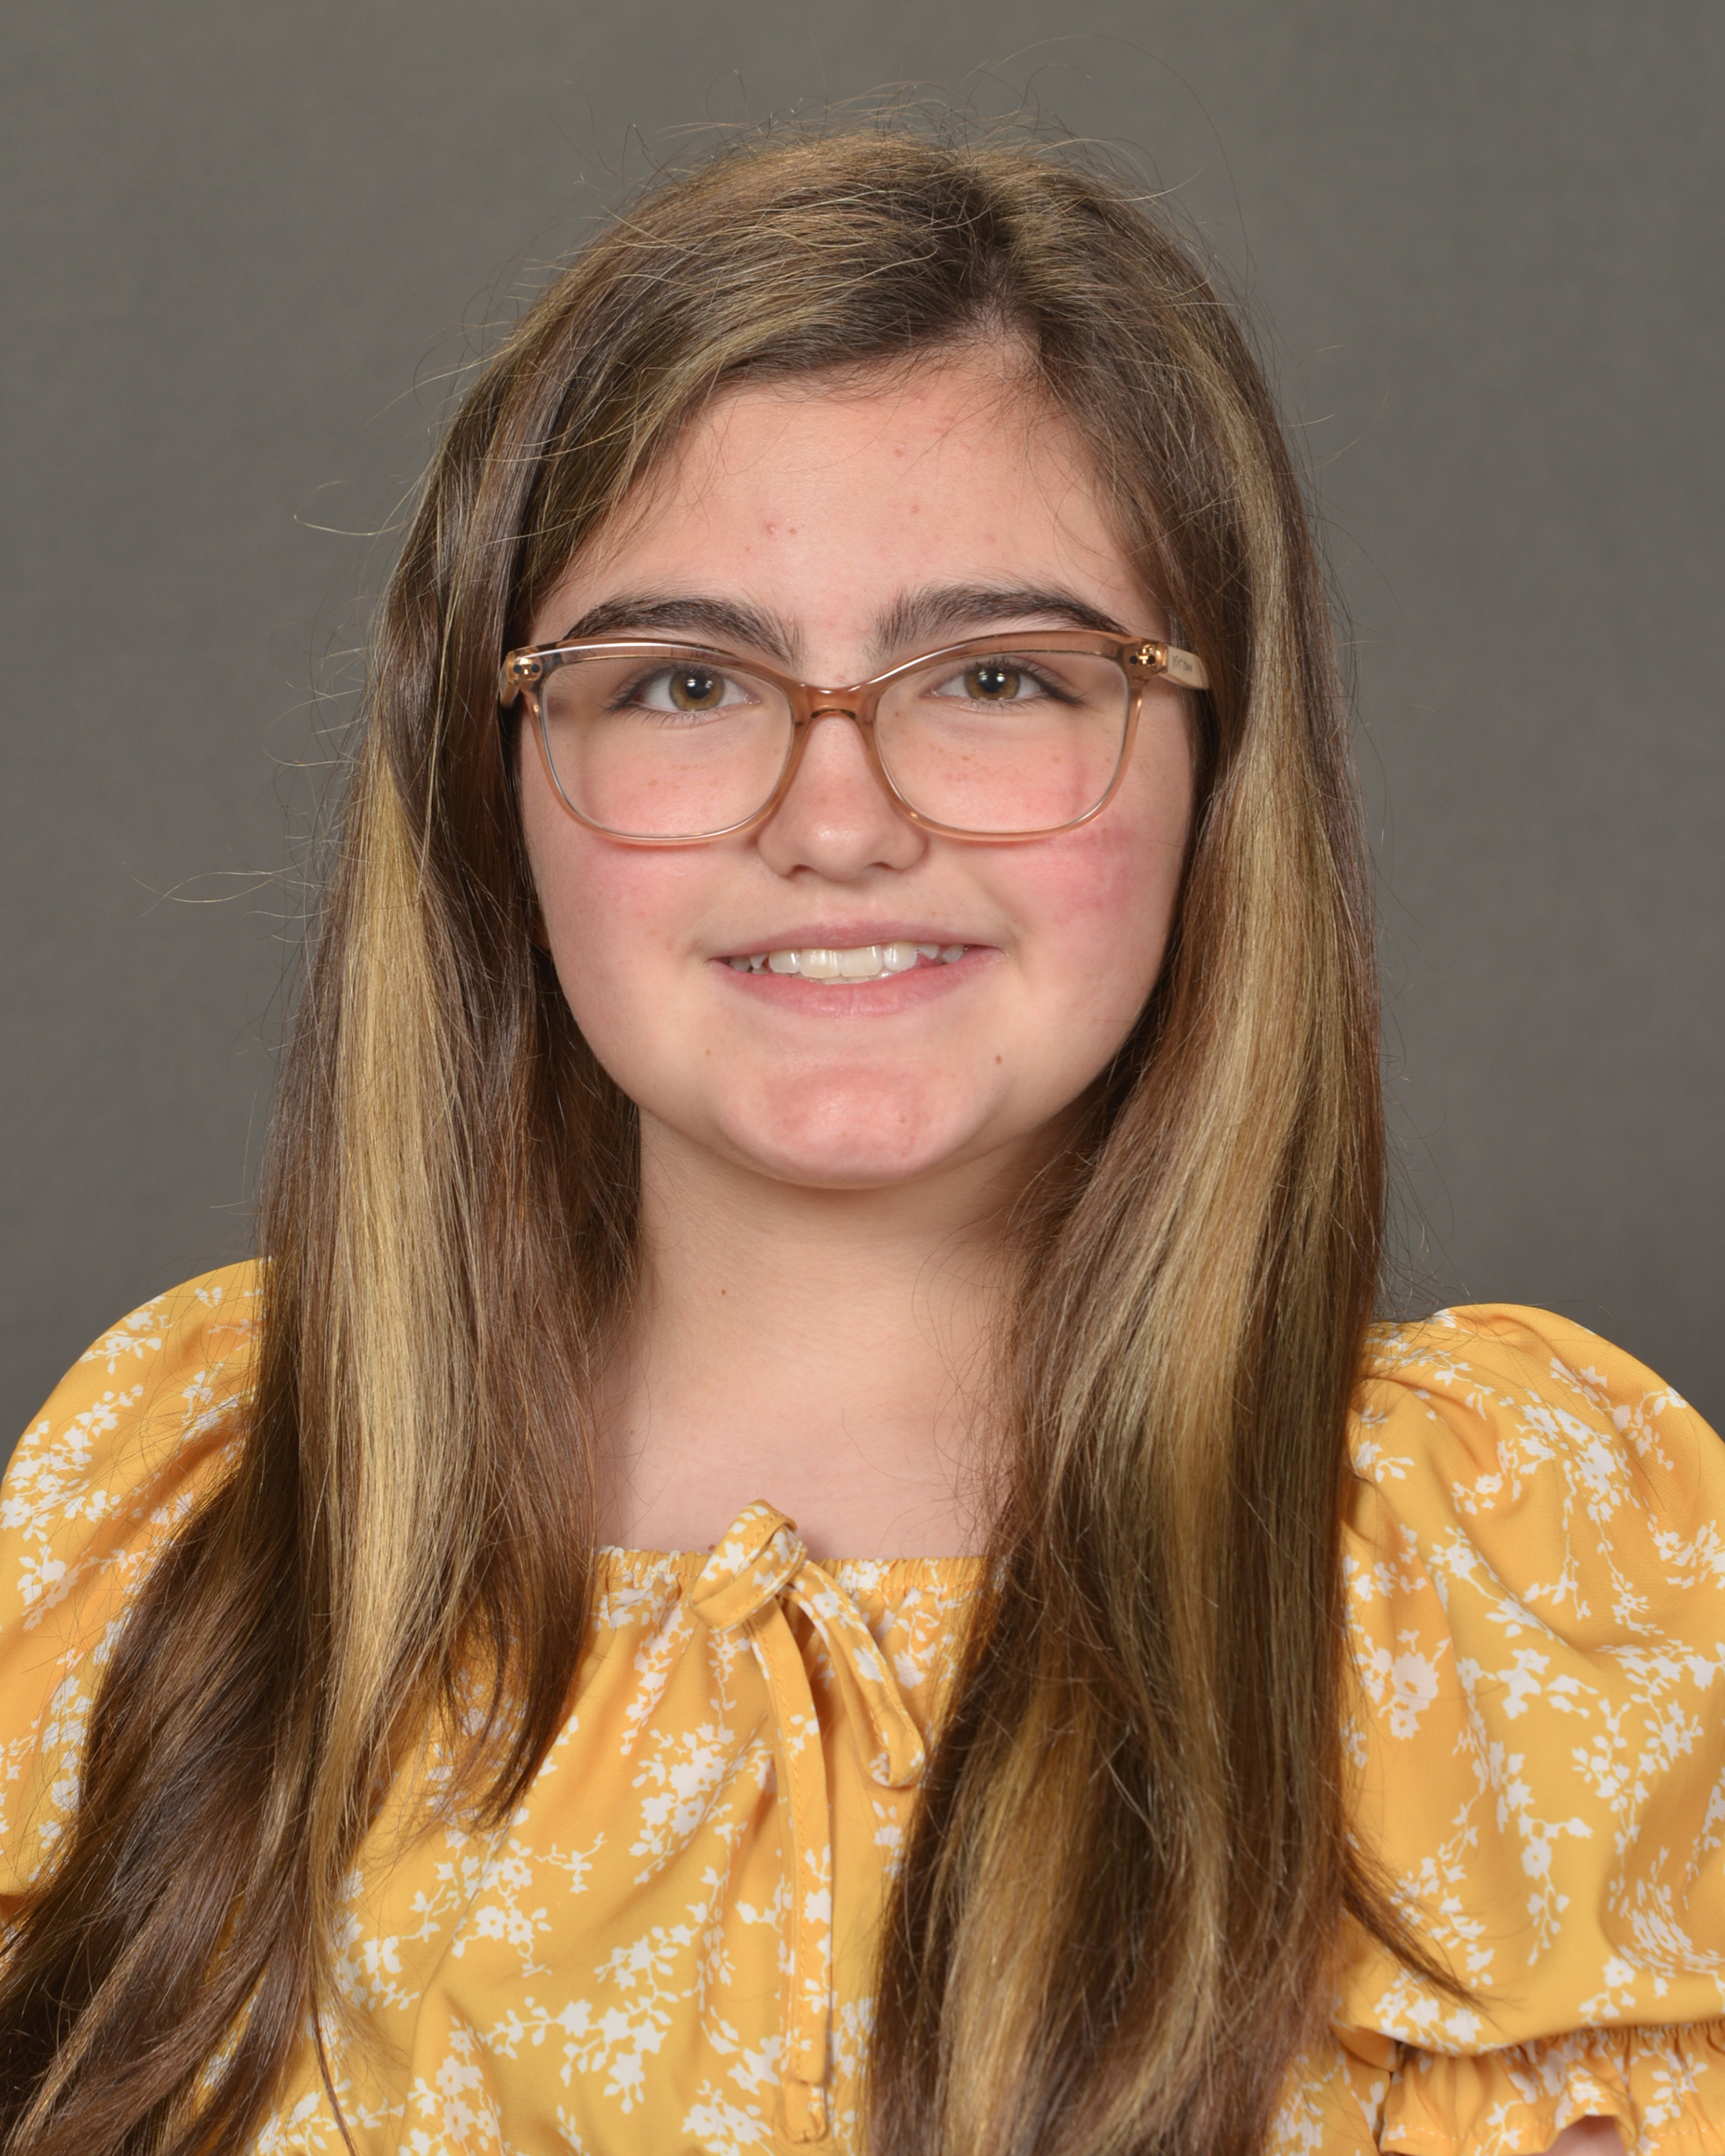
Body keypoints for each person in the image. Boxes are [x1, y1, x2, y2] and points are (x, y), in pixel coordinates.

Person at [0, 127, 1720, 2156]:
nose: (836, 821)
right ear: (491, 780)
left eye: (996, 675)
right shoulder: (182, 1509)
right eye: (685, 681)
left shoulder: (1523, 1590)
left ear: (1217, 763)